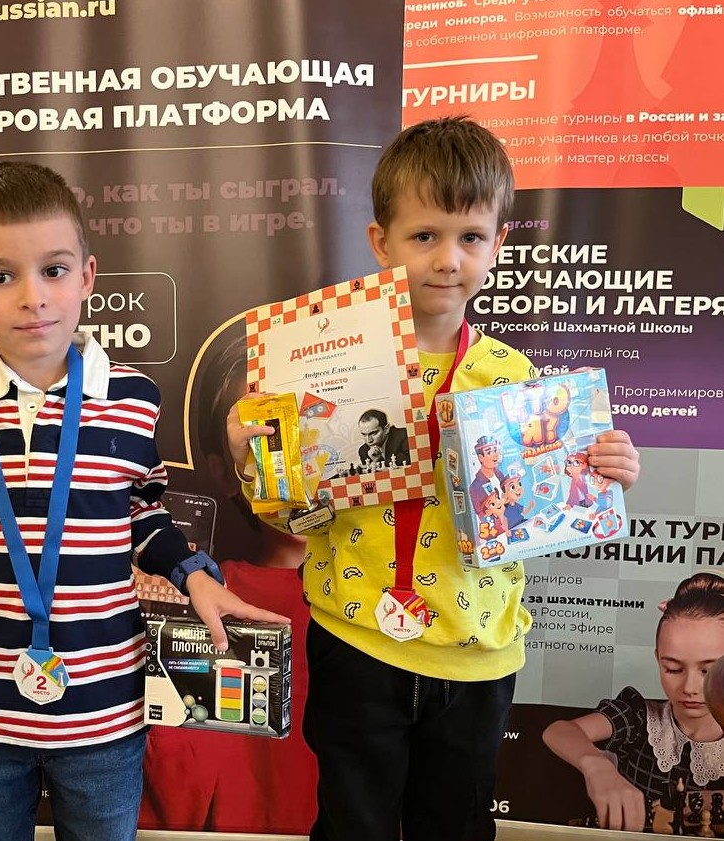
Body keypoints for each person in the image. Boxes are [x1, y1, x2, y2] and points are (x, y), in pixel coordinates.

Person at [228, 116, 641, 841]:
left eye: (470, 237)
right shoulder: (320, 368)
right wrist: (253, 458)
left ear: (498, 244)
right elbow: (290, 517)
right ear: (381, 241)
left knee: (454, 824)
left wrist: (603, 473)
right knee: (352, 823)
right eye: (424, 236)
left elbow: (545, 510)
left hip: (477, 654)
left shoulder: (514, 378)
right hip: (357, 642)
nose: (448, 259)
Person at [0, 161, 287, 841]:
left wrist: (193, 574)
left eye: (53, 270)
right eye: (0, 276)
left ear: (87, 277)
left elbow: (143, 510)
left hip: (104, 709)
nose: (32, 297)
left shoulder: (133, 398)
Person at [140, 328, 318, 836]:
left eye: (313, 426)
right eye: (267, 435)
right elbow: (178, 778)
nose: (298, 460)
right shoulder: (198, 599)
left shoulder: (387, 600)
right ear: (223, 470)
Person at [542, 573, 724, 834]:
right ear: (658, 659)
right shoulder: (638, 717)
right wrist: (596, 766)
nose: (689, 688)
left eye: (708, 671)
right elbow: (559, 731)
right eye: (673, 669)